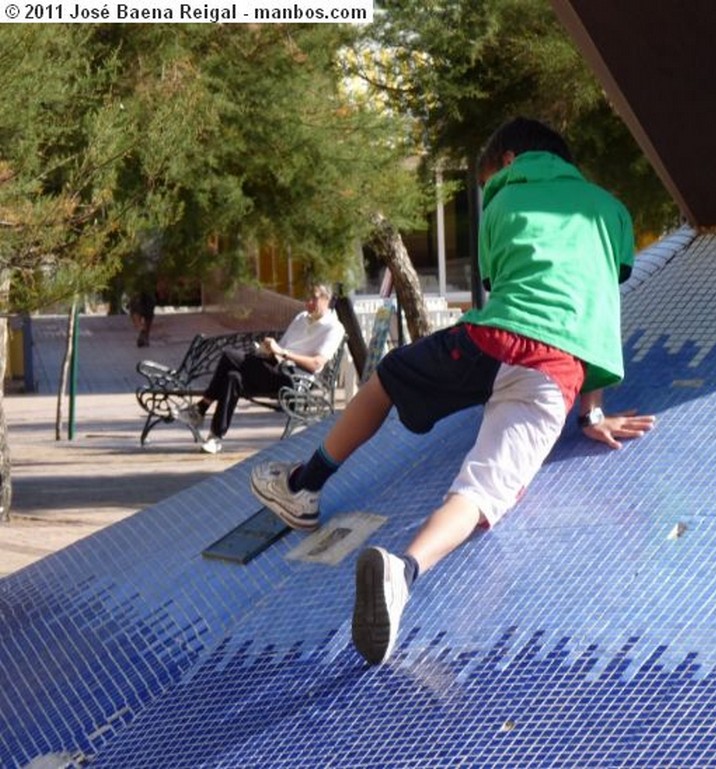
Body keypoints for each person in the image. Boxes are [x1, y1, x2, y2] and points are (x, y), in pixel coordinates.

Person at [250, 118, 656, 665]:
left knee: (387, 380)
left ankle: (304, 486)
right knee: (482, 490)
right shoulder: (609, 210)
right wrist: (592, 414)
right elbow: (597, 300)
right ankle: (404, 571)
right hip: (553, 371)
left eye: (488, 177)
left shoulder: (502, 205)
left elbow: (498, 286)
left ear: (509, 161)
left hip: (487, 339)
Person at [185, 283, 344, 454]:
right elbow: (280, 349)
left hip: (295, 379)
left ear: (327, 300)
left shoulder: (334, 328)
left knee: (229, 356)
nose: (309, 303)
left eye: (314, 298)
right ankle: (215, 437)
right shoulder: (301, 318)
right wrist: (268, 351)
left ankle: (201, 407)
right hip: (276, 369)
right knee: (233, 377)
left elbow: (316, 364)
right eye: (308, 298)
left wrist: (283, 353)